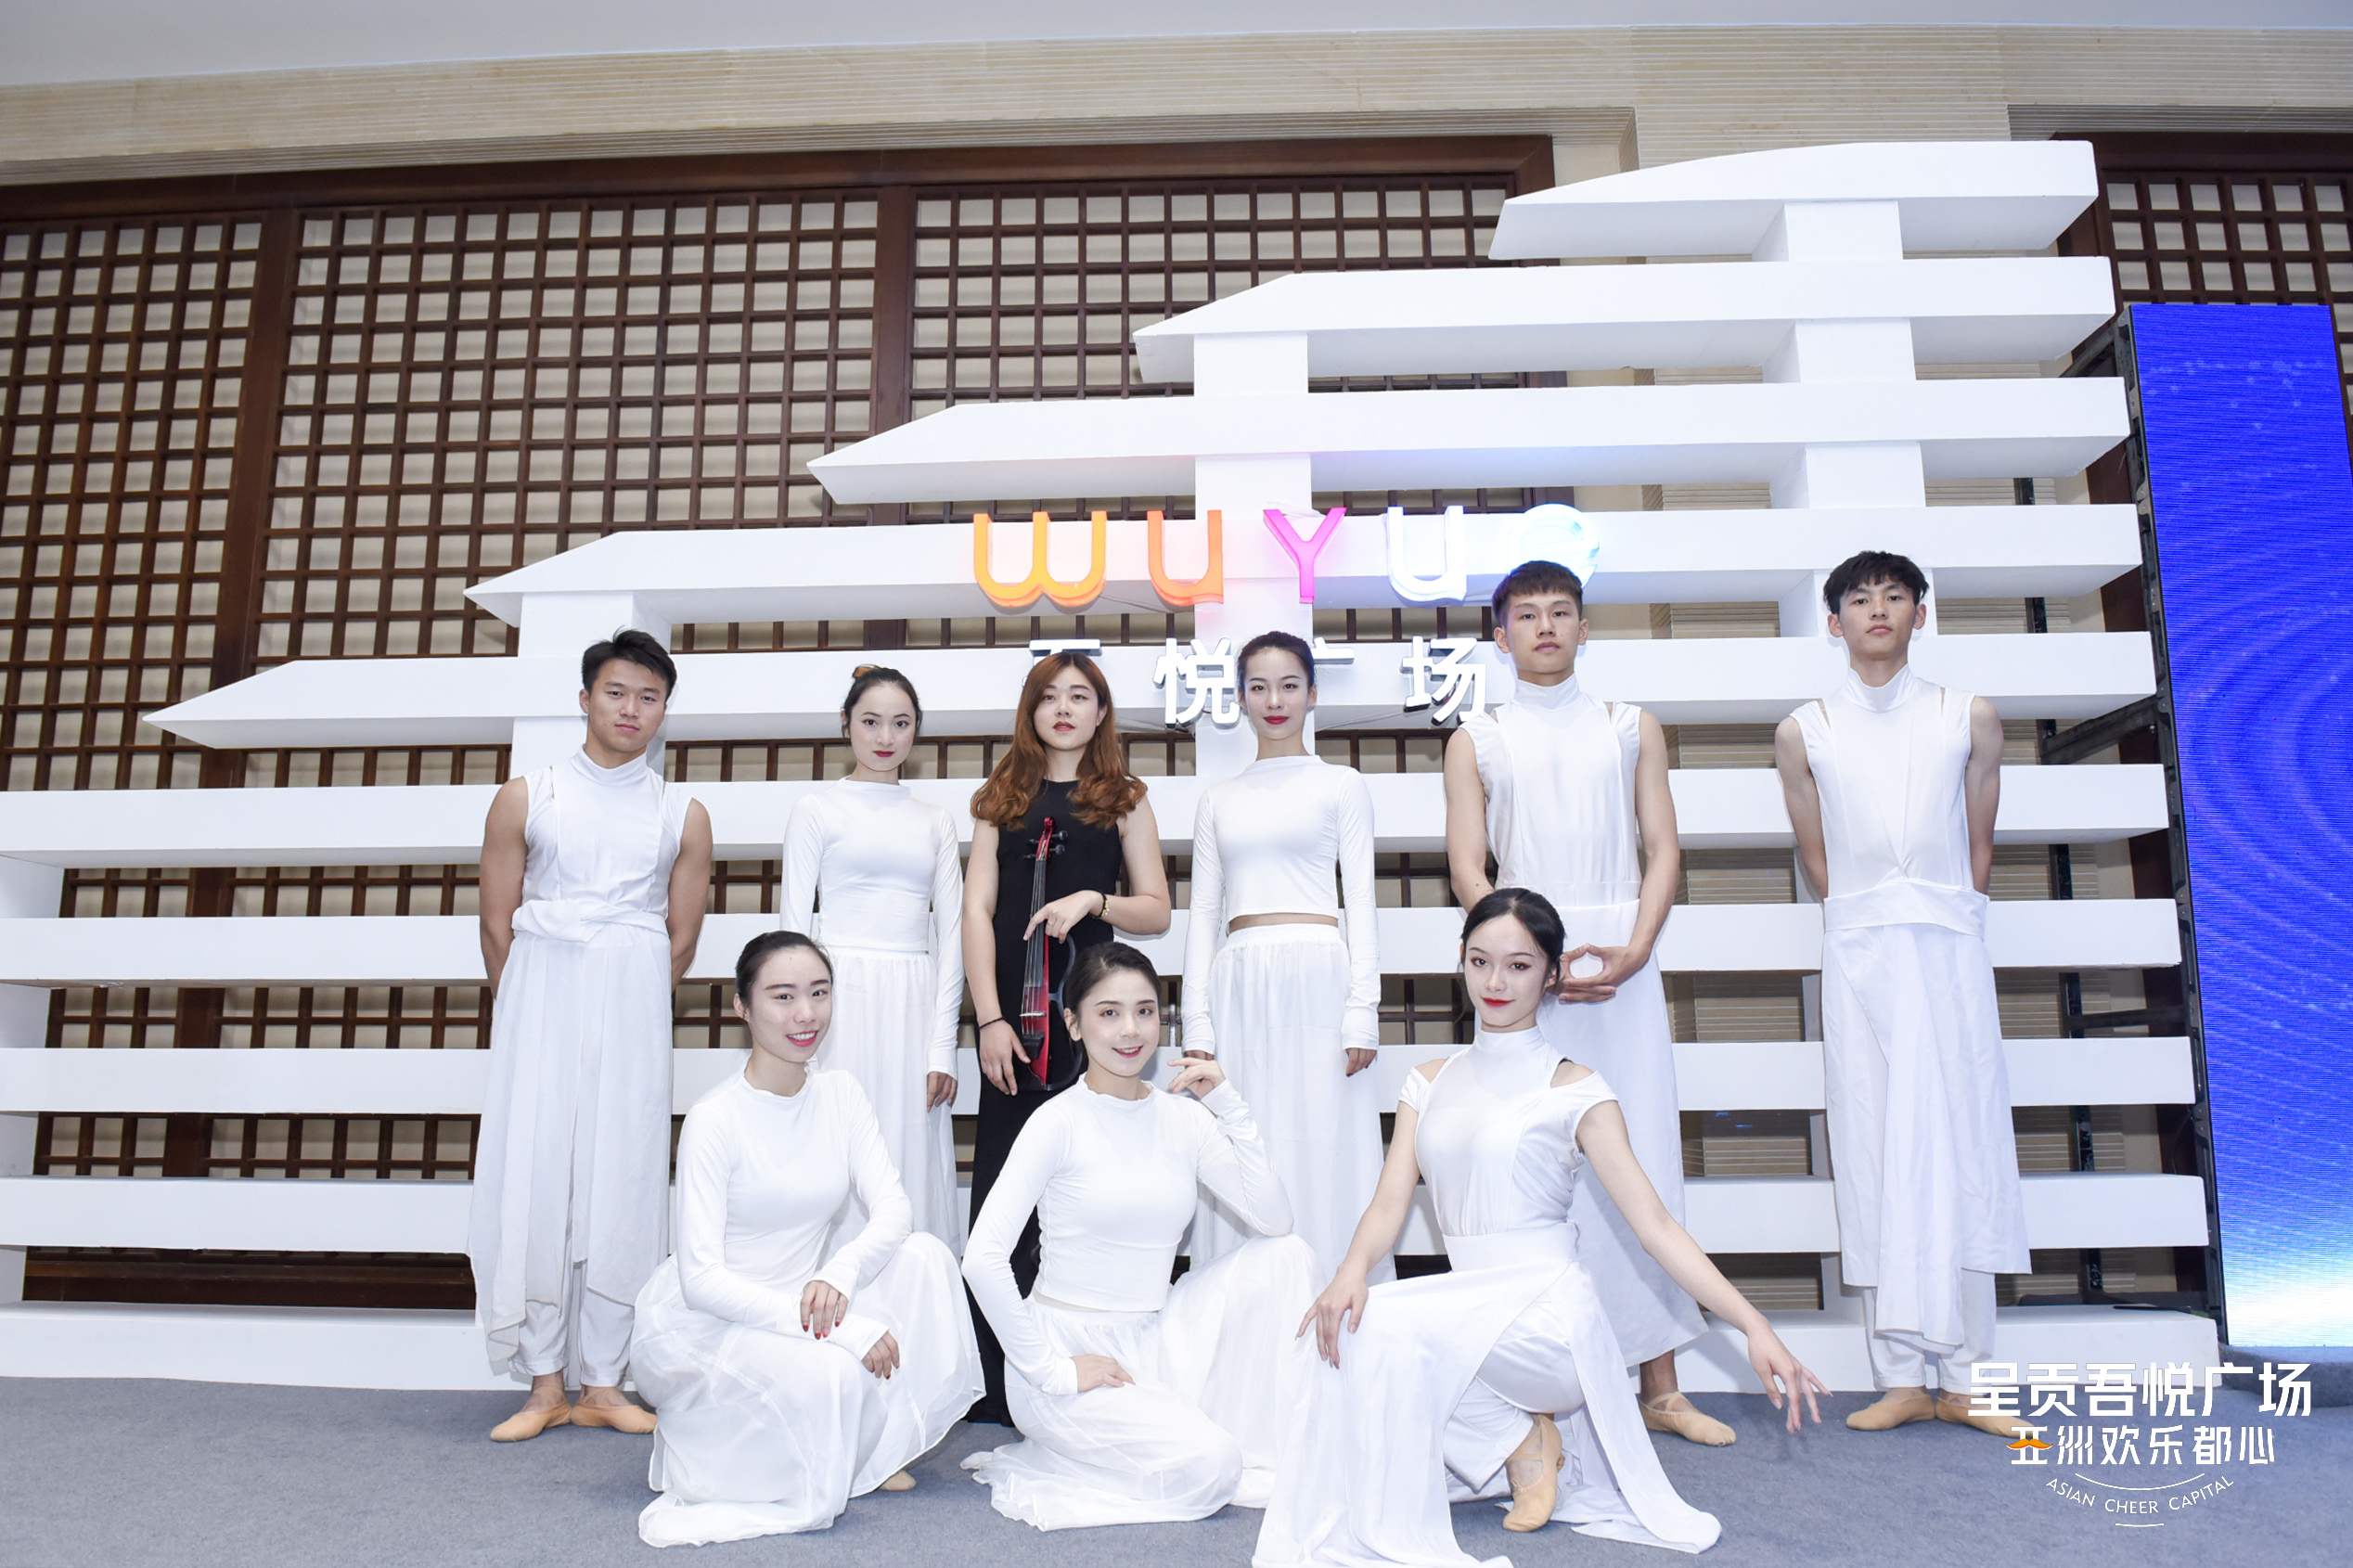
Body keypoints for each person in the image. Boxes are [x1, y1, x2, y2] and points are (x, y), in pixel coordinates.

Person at [1258, 891, 1828, 1568]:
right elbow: (1388, 1205)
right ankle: (1519, 1442)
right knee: (1343, 1323)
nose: (1496, 982)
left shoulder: (1577, 1089)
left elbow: (1655, 1227)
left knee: (1381, 1328)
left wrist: (1754, 1325)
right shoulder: (1428, 1082)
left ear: (1552, 974)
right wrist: (1348, 1273)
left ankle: (1521, 1436)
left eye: (1520, 965)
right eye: (1480, 961)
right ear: (1462, 962)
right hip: (1472, 1315)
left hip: (1550, 1325)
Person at [1445, 559, 1722, 1446]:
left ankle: (1661, 1385)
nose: (1545, 627)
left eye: (1561, 612)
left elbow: (1663, 847)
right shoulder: (1478, 737)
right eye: (1527, 615)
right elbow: (1467, 867)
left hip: (1622, 965)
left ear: (1584, 627)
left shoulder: (1630, 727)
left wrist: (1635, 948)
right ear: (1501, 635)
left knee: (1642, 1159)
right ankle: (1537, 1392)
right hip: (1528, 970)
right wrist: (1526, 952)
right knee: (1529, 1170)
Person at [1774, 550, 2032, 1439]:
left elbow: (1979, 842)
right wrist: (1867, 915)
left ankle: (1966, 1377)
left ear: (1921, 613)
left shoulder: (1969, 716)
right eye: (1859, 598)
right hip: (1861, 952)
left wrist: (1942, 912)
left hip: (1948, 950)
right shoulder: (1805, 731)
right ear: (1834, 619)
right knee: (1875, 1143)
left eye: (1894, 596)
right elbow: (1817, 857)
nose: (1877, 609)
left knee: (1963, 1146)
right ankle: (1898, 1376)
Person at [629, 932, 983, 1546]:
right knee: (834, 1374)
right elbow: (702, 1281)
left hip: (807, 1293)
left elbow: (894, 1209)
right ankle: (763, 1452)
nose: (806, 1014)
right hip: (713, 1320)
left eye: (819, 993)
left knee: (927, 1257)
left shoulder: (841, 1094)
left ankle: (872, 1452)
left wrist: (840, 1273)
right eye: (783, 996)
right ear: (743, 1007)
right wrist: (834, 1328)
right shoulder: (716, 1118)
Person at [963, 942, 1317, 1529]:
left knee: (1288, 1256)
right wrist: (1054, 1371)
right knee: (1215, 1466)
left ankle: (1127, 1442)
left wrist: (1229, 1106)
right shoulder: (1057, 1121)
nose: (1130, 1030)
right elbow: (982, 1259)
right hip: (1068, 1353)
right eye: (1109, 1013)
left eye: (1145, 1011)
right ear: (1073, 1024)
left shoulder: (1184, 1118)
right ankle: (1066, 1447)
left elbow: (1275, 1220)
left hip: (1156, 1334)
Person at [469, 629, 713, 1442]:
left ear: (664, 711)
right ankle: (544, 1383)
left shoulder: (682, 813)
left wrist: (626, 993)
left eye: (649, 697)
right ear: (585, 699)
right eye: (616, 692)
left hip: (632, 1002)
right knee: (539, 1174)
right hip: (540, 998)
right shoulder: (526, 796)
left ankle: (605, 1381)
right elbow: (496, 924)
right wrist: (528, 1009)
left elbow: (682, 938)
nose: (631, 709)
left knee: (624, 1178)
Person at [961, 651, 1172, 1423]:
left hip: (1093, 1023)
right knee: (1002, 1195)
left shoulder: (1126, 798)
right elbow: (977, 913)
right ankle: (998, 1385)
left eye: (1080, 696)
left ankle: (1093, 1363)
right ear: (1031, 709)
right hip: (1013, 1025)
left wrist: (1094, 900)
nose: (1064, 709)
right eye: (1049, 696)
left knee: (1086, 1193)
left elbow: (1156, 909)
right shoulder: (1000, 797)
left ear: (1101, 712)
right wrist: (988, 1019)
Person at [1183, 630, 1383, 1283]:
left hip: (1321, 977)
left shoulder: (1341, 785)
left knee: (1326, 1140)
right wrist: (1196, 1022)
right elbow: (1203, 916)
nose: (1275, 701)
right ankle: (1244, 1310)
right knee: (1246, 1139)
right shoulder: (1218, 798)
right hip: (1239, 981)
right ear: (1240, 698)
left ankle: (1335, 1295)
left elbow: (1361, 902)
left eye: (1289, 686)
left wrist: (1364, 1010)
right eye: (1260, 687)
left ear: (1312, 694)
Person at [779, 666, 965, 1250]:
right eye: (870, 722)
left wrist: (942, 1048)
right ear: (846, 725)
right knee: (833, 1150)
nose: (885, 737)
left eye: (901, 723)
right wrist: (797, 1028)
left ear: (916, 731)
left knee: (908, 1154)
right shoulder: (817, 809)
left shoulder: (936, 820)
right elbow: (791, 937)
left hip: (913, 1001)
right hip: (837, 1001)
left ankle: (912, 1297)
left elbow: (953, 937)